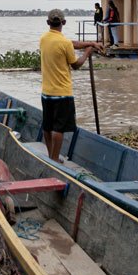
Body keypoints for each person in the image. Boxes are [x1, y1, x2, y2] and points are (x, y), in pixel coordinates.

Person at [39, 9, 102, 162]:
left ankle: (51, 155)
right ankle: (54, 159)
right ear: (64, 22)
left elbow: (70, 43)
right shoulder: (65, 43)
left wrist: (90, 43)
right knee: (58, 128)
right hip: (62, 93)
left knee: (47, 126)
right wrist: (87, 52)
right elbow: (76, 64)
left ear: (48, 23)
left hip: (46, 92)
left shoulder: (44, 38)